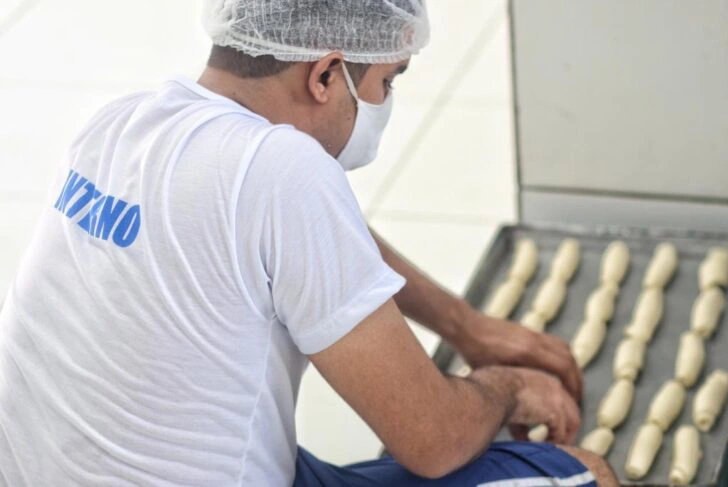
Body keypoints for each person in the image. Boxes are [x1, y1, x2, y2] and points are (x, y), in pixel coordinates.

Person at [0, 1, 619, 485]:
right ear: (325, 73)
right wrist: (505, 383)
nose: (384, 104)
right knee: (584, 474)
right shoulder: (285, 170)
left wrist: (463, 326)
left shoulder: (119, 123)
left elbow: (315, 237)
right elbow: (435, 442)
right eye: (387, 82)